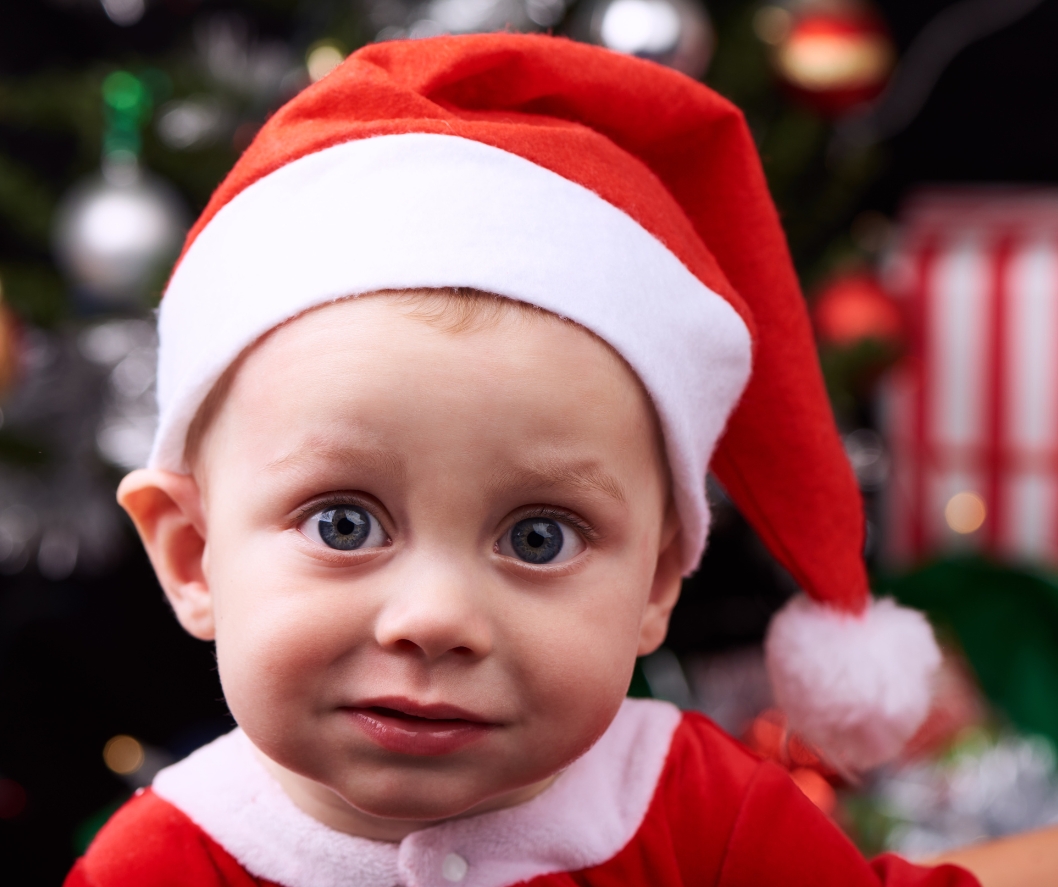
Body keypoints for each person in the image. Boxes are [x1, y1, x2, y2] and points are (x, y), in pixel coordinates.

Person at [65, 33, 978, 887]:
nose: (436, 618)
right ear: (193, 557)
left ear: (658, 581)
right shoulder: (165, 860)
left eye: (539, 536)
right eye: (343, 522)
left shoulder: (707, 814)